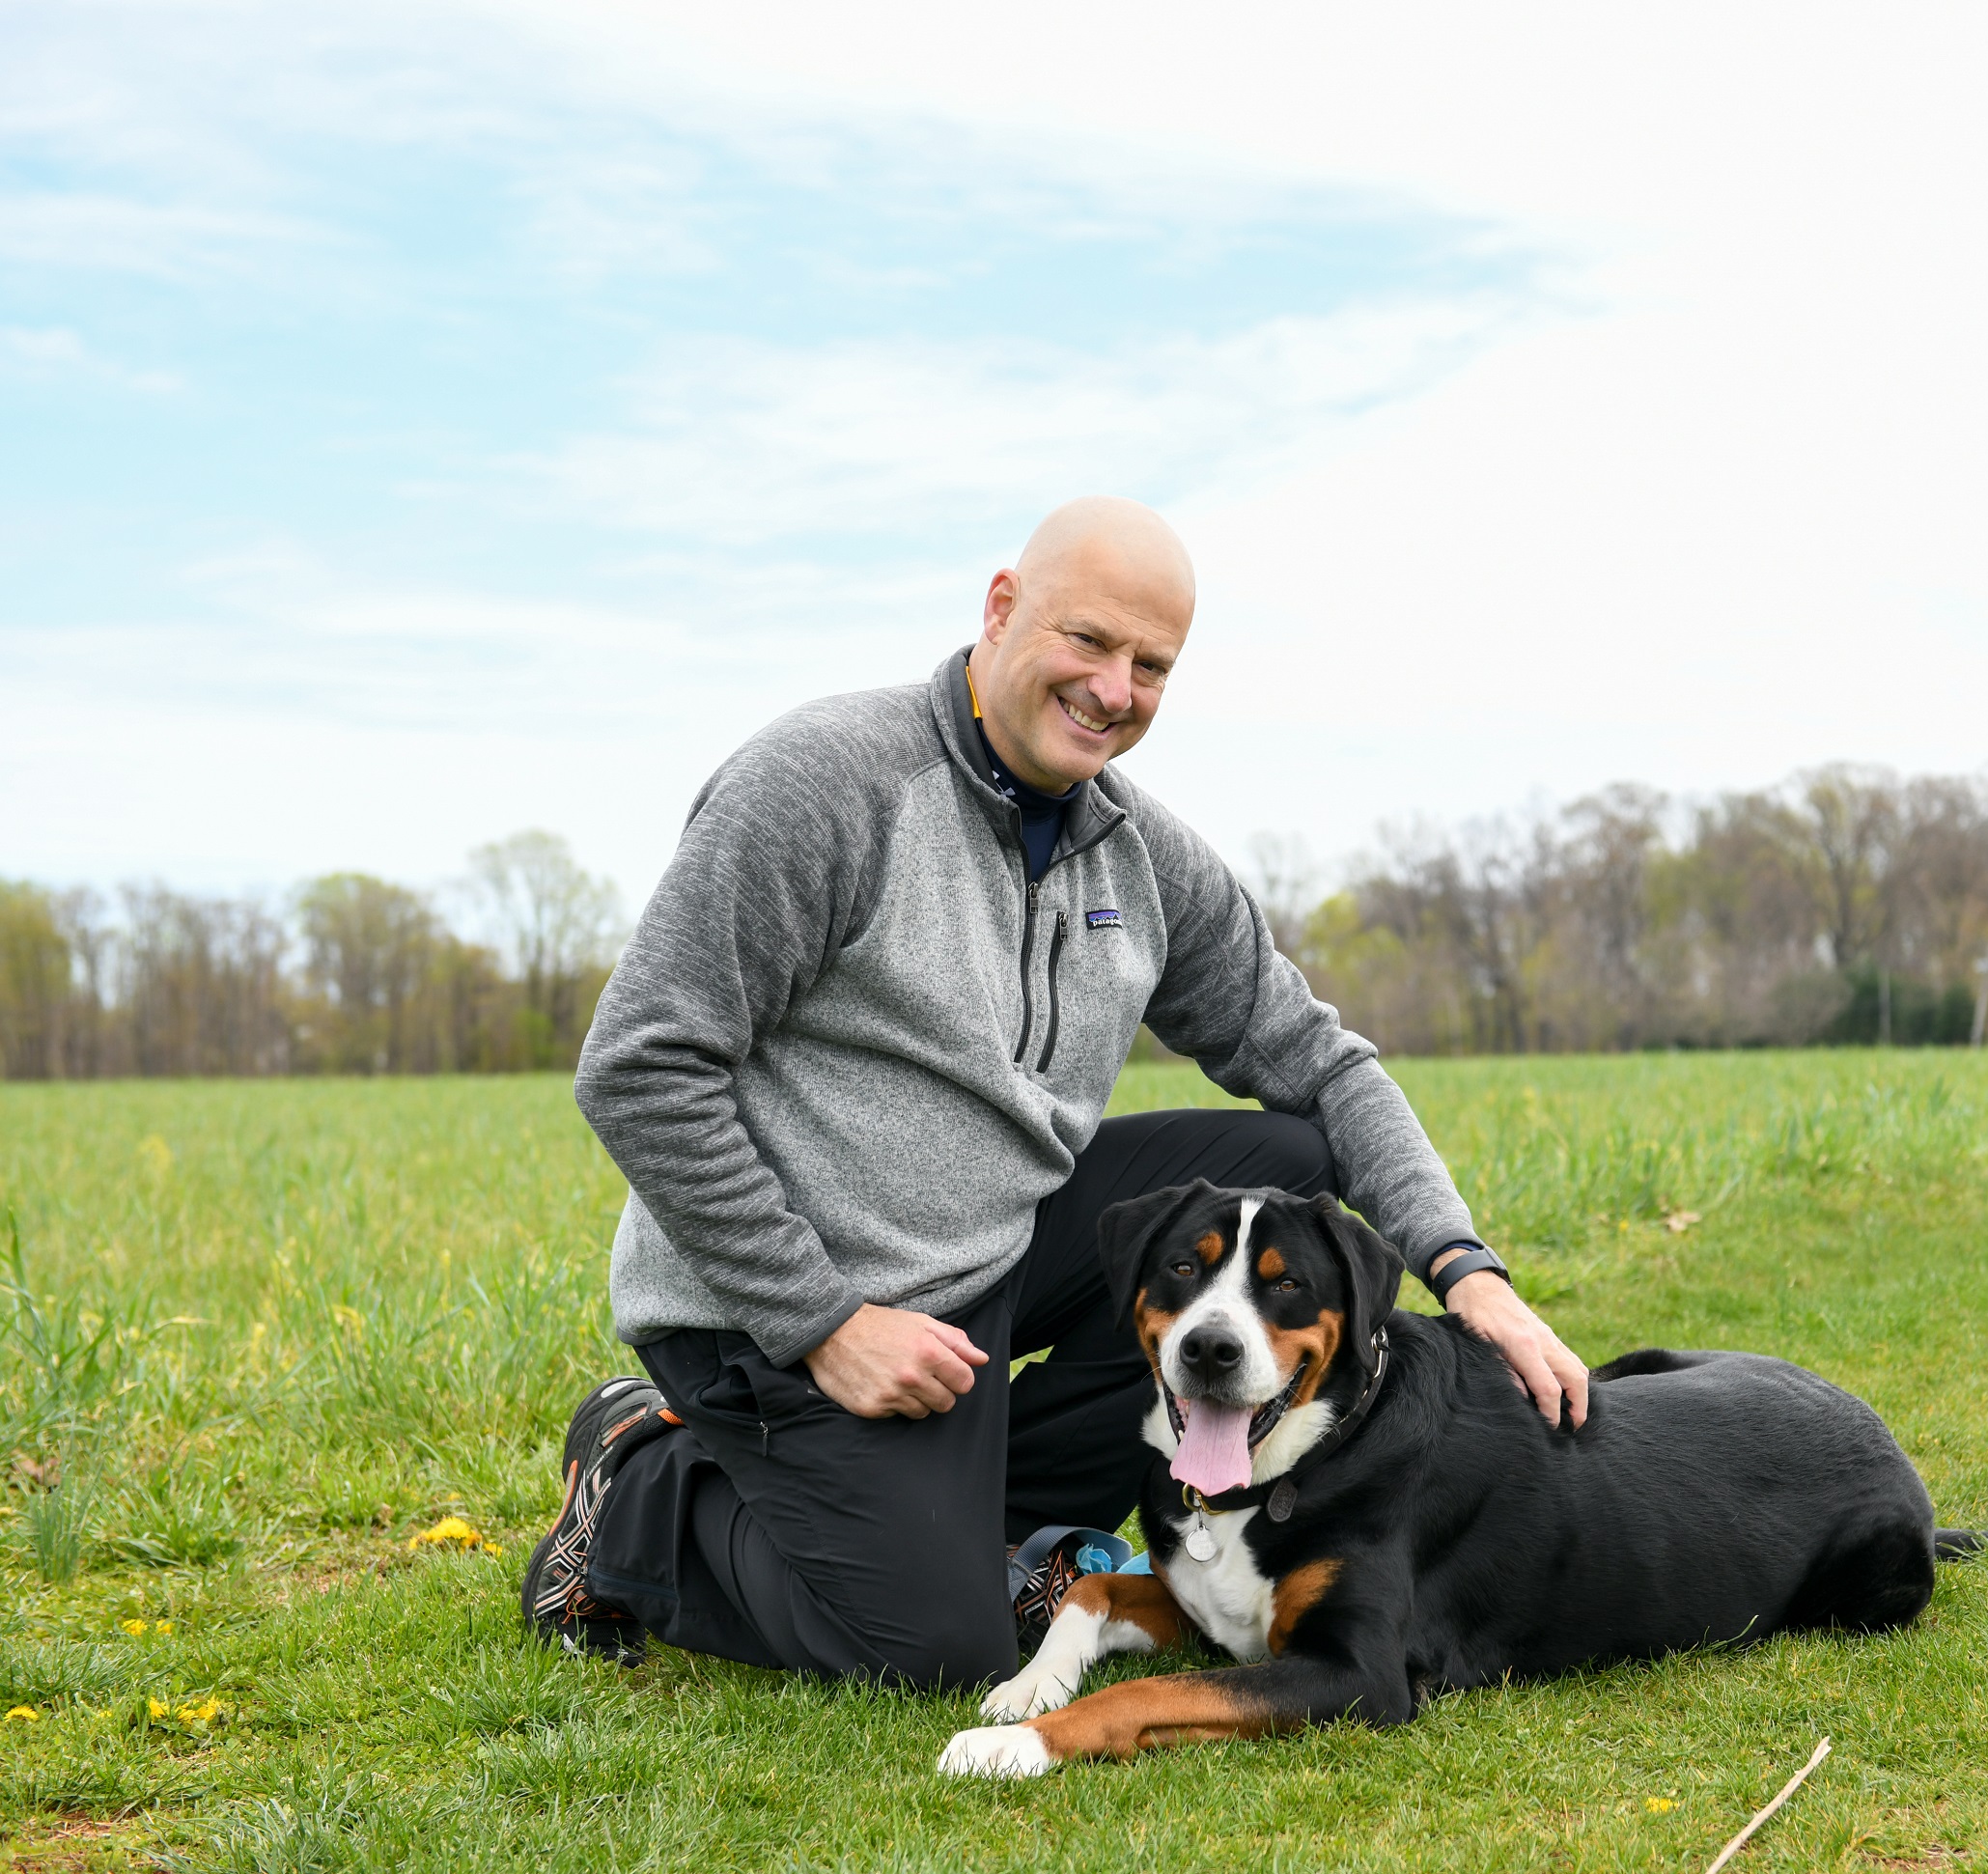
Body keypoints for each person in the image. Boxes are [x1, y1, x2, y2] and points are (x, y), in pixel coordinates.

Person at [523, 497, 1587, 1688]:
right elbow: (639, 1062)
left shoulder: (1139, 850)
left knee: (1295, 1160)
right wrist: (822, 1320)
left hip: (993, 1251)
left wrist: (1465, 1268)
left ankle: (953, 1510)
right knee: (934, 1645)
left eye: (1152, 665)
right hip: (778, 1299)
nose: (1114, 688)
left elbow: (1325, 1060)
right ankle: (636, 1483)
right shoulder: (824, 783)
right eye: (1088, 640)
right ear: (999, 607)